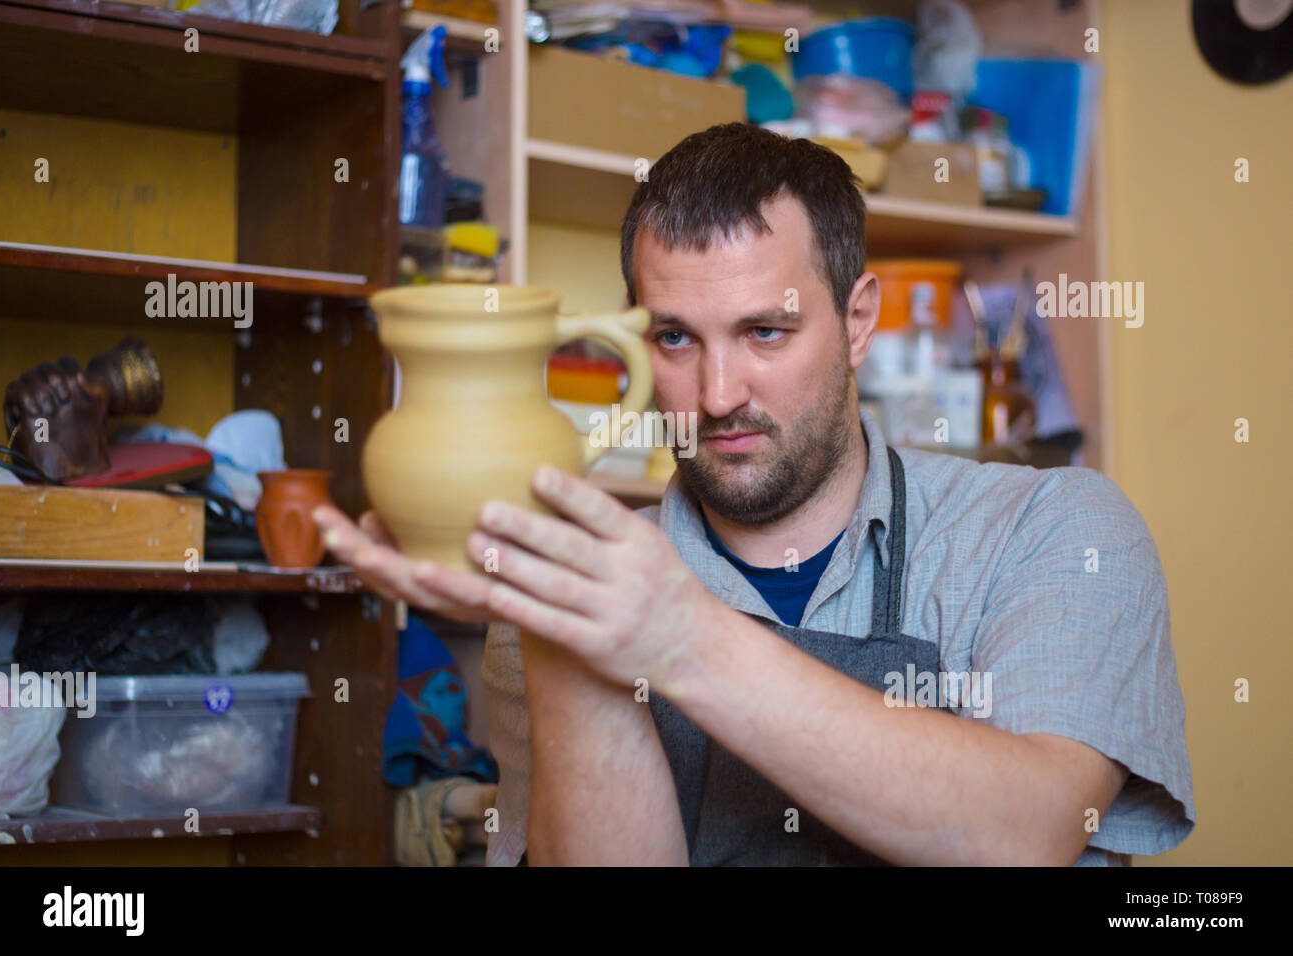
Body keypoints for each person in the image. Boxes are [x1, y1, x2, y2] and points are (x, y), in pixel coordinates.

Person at [315, 123, 1194, 866]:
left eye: (765, 331)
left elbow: (1029, 831)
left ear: (857, 322)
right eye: (674, 338)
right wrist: (568, 639)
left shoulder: (1053, 530)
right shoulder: (576, 587)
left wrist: (677, 638)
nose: (719, 392)